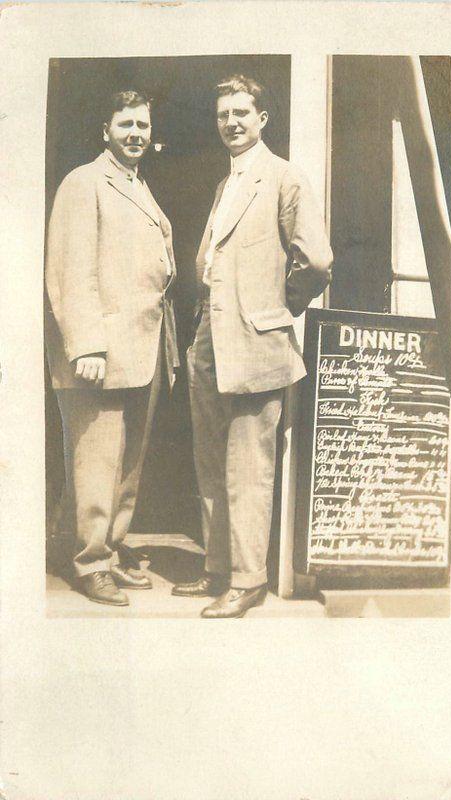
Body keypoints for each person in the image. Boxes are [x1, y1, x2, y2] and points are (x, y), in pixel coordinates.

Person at [172, 75, 333, 618]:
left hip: (256, 342)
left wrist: (279, 308)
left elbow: (316, 260)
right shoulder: (226, 183)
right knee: (210, 460)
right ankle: (218, 569)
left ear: (262, 119)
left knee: (248, 465)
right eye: (224, 114)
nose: (232, 123)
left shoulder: (285, 178)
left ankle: (247, 580)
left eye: (242, 112)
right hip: (209, 340)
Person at [45, 89, 178, 606]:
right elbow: (70, 269)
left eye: (143, 125)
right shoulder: (84, 183)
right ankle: (90, 562)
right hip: (99, 353)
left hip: (140, 348)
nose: (136, 134)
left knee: (125, 464)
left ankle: (110, 550)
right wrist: (87, 346)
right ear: (106, 131)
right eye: (125, 124)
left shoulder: (137, 185)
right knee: (96, 462)